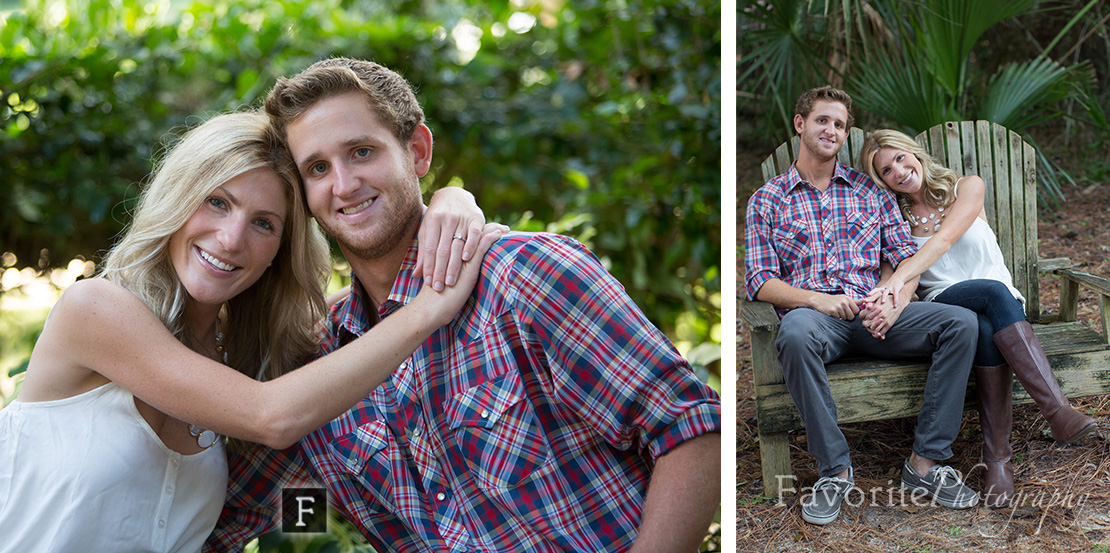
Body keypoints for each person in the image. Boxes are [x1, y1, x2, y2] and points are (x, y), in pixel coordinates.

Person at [203, 57, 722, 553]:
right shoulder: (316, 365)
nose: (344, 183)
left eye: (362, 151)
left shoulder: (524, 275)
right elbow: (220, 521)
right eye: (318, 167)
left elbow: (691, 429)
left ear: (418, 151)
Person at [0, 110, 502, 552]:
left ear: (279, 251)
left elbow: (362, 313)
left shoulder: (247, 354)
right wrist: (428, 308)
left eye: (264, 223)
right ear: (178, 198)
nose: (232, 238)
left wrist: (452, 203)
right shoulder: (96, 309)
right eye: (217, 202)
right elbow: (272, 416)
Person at [744, 86, 982, 525]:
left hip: (878, 314)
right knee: (793, 333)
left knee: (962, 324)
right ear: (800, 124)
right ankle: (834, 472)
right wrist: (816, 300)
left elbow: (902, 258)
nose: (830, 130)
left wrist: (893, 298)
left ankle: (926, 463)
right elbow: (760, 281)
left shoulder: (870, 193)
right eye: (822, 120)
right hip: (817, 321)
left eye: (839, 124)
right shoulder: (768, 200)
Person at [858, 128, 1098, 508]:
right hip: (946, 305)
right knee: (988, 296)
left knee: (988, 320)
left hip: (1001, 305)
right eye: (886, 170)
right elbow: (895, 277)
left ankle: (998, 462)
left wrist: (903, 272)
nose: (899, 171)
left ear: (916, 154)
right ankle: (1056, 411)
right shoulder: (895, 221)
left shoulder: (967, 187)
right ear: (882, 181)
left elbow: (945, 240)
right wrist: (888, 297)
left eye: (901, 158)